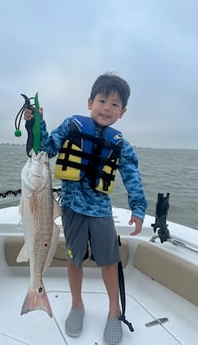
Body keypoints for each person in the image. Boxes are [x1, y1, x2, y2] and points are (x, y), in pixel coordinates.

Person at [24, 72, 147, 345]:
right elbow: (46, 146)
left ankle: (114, 313)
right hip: (70, 209)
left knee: (109, 263)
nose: (107, 108)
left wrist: (138, 209)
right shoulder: (72, 126)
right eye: (102, 100)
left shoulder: (121, 145)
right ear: (90, 101)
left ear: (123, 112)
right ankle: (77, 305)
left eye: (115, 104)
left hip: (101, 211)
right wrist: (37, 122)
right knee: (74, 259)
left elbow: (132, 178)